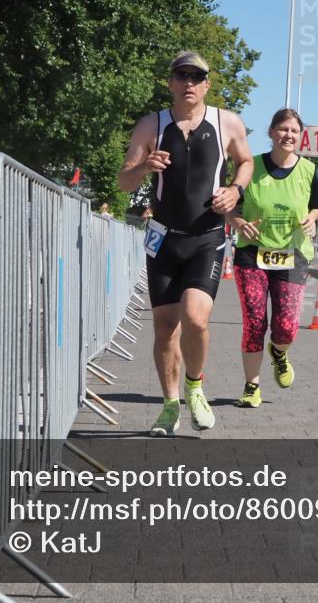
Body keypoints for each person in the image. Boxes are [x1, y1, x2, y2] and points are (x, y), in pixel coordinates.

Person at [118, 51, 252, 436]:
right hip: (162, 240)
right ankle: (170, 405)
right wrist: (144, 167)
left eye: (197, 76)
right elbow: (123, 181)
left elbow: (245, 162)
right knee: (164, 328)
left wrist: (235, 189)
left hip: (206, 238)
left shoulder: (226, 122)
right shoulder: (152, 125)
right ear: (171, 82)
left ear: (208, 83)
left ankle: (195, 386)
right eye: (182, 75)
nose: (189, 83)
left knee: (195, 318)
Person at [227, 109, 318, 408]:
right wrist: (237, 221)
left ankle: (279, 353)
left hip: (292, 255)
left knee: (286, 325)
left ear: (301, 136)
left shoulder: (310, 171)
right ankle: (251, 387)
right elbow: (231, 205)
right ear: (271, 132)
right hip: (251, 254)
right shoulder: (250, 166)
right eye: (283, 129)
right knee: (255, 322)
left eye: (294, 131)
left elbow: (317, 207)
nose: (289, 135)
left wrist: (311, 218)